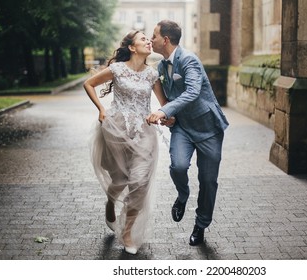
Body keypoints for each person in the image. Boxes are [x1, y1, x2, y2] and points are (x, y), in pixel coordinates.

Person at [83, 30, 172, 254]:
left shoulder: (152, 75)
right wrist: (101, 109)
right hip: (116, 128)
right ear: (132, 47)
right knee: (120, 179)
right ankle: (111, 201)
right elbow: (88, 84)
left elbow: (164, 103)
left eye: (149, 39)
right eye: (143, 39)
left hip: (144, 132)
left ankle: (127, 231)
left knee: (140, 181)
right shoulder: (117, 69)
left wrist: (164, 115)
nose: (149, 42)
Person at [147, 20, 229, 246]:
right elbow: (171, 96)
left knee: (208, 180)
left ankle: (200, 225)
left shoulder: (189, 60)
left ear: (165, 39)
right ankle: (183, 196)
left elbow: (193, 91)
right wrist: (169, 115)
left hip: (208, 128)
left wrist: (164, 110)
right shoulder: (162, 67)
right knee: (178, 166)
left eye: (153, 36)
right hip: (182, 126)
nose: (151, 39)